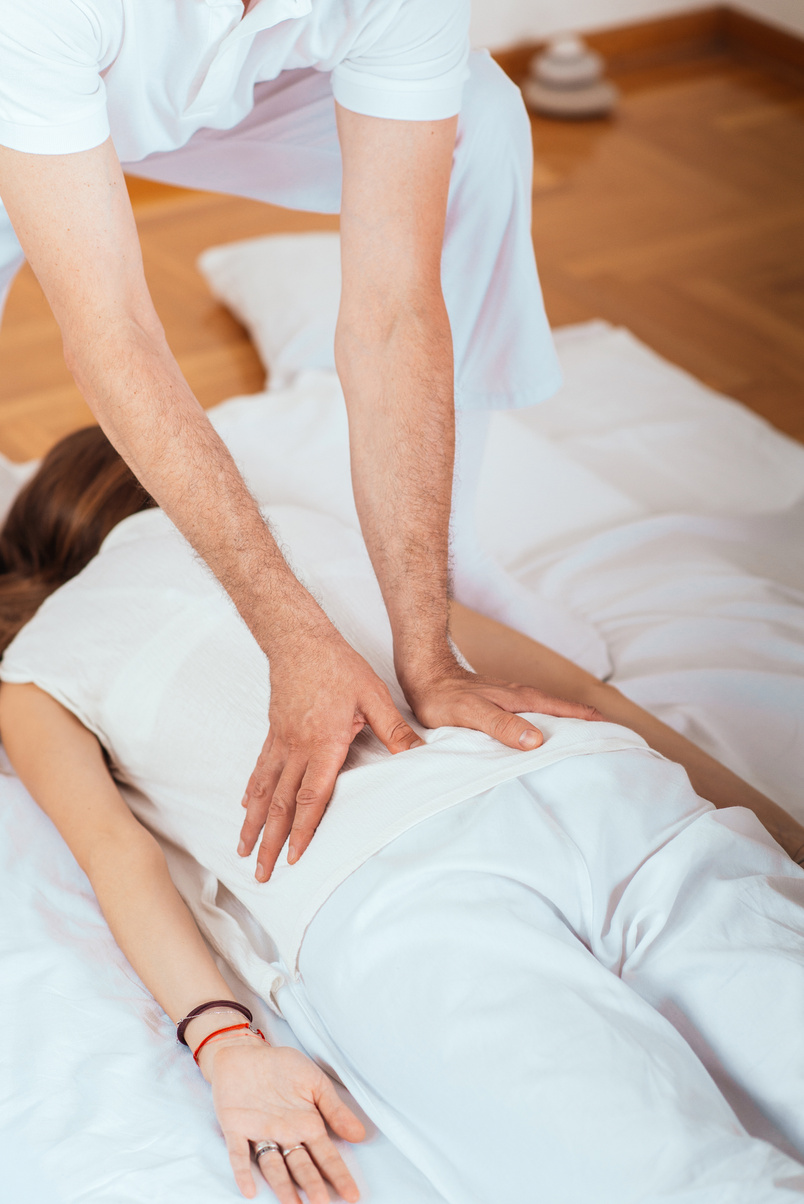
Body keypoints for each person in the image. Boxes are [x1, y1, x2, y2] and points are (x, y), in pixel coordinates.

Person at [0, 426, 803, 1204]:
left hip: (394, 892)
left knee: (673, 1184)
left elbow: (118, 855)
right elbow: (585, 696)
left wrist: (223, 1043)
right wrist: (785, 838)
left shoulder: (37, 662)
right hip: (595, 787)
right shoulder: (306, 531)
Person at [0, 0, 609, 850]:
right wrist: (295, 635)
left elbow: (394, 312)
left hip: (188, 85)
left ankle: (452, 553)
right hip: (29, 57)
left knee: (482, 120)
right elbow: (114, 336)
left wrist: (427, 650)